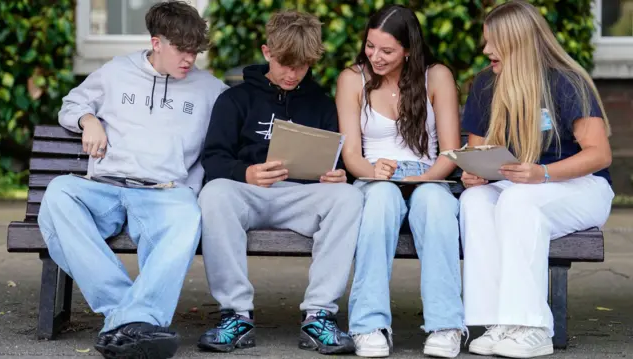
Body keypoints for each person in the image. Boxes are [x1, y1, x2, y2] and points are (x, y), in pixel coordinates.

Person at [37, 2, 228, 358]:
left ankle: (124, 322)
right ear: (156, 43)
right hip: (106, 187)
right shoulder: (115, 72)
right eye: (181, 50)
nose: (190, 59)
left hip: (166, 194)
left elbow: (231, 140)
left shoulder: (212, 90)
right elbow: (70, 104)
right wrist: (88, 120)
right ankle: (133, 319)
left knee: (189, 214)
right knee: (59, 194)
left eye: (195, 51)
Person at [196, 9, 363, 356]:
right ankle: (236, 314)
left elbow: (331, 155)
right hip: (248, 193)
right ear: (266, 51)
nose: (292, 74)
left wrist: (333, 175)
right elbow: (213, 158)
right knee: (214, 193)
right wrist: (246, 173)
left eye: (302, 66)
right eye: (286, 63)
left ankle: (319, 315)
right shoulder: (235, 99)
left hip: (300, 196)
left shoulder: (319, 102)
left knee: (347, 197)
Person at [459, 1, 614, 358]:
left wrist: (542, 174)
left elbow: (599, 155)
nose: (486, 51)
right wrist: (474, 173)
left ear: (517, 41)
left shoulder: (566, 81)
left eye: (493, 42)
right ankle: (495, 321)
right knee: (474, 201)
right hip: (519, 185)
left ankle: (533, 328)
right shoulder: (486, 83)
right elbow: (478, 151)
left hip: (581, 187)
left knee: (517, 201)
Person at [335, 4, 465, 358]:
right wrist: (371, 172)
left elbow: (450, 153)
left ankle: (445, 325)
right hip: (374, 175)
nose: (375, 56)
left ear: (409, 49)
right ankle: (368, 324)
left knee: (437, 207)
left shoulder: (436, 76)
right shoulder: (352, 79)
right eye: (370, 46)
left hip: (430, 177)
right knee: (379, 203)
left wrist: (423, 178)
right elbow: (351, 156)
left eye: (387, 51)